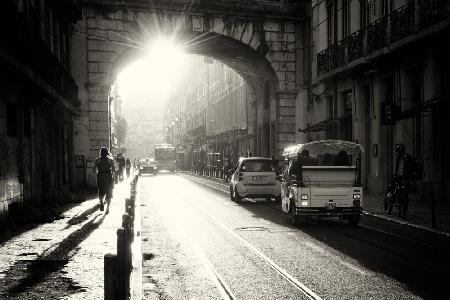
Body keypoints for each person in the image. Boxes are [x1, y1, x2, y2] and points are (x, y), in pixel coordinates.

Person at [394, 143, 420, 218]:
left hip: (406, 178)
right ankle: (396, 200)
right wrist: (396, 174)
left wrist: (414, 174)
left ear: (402, 151)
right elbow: (397, 168)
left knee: (405, 194)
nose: (397, 153)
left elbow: (415, 167)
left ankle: (405, 208)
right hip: (399, 177)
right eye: (397, 152)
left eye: (399, 152)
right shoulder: (398, 158)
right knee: (397, 189)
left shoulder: (409, 158)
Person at [93, 147, 115, 212]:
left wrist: (98, 172)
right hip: (108, 176)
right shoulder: (110, 161)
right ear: (107, 153)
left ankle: (102, 203)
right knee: (108, 191)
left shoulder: (97, 160)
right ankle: (108, 208)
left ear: (100, 153)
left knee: (101, 190)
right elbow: (113, 170)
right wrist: (112, 176)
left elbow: (94, 170)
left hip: (100, 176)